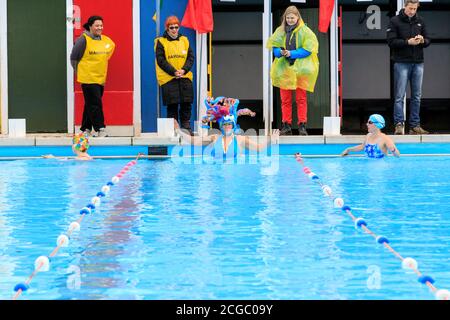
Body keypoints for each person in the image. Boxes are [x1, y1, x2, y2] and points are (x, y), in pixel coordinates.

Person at [266, 6, 319, 136]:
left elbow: (308, 49)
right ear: (285, 18)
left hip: (301, 70)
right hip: (284, 70)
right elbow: (274, 46)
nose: (290, 20)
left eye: (292, 18)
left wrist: (292, 53)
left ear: (297, 17)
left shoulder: (306, 32)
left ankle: (302, 126)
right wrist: (280, 52)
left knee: (301, 99)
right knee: (285, 100)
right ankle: (286, 126)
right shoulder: (280, 30)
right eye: (288, 18)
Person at [178, 97, 279, 159]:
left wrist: (272, 139)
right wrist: (178, 130)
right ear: (221, 126)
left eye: (229, 124)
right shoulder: (215, 138)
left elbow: (259, 148)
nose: (227, 127)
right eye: (224, 124)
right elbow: (193, 141)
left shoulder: (240, 139)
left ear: (233, 125)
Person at [387, 0, 430, 135]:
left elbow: (428, 40)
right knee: (399, 96)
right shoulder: (394, 21)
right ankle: (399, 124)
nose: (412, 11)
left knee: (417, 96)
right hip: (401, 62)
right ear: (405, 6)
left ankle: (414, 126)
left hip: (418, 62)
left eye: (415, 9)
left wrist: (423, 40)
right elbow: (391, 42)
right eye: (410, 8)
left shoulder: (421, 21)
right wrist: (408, 42)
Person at [70, 15, 116, 138]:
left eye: (101, 25)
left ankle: (85, 129)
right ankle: (100, 128)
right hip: (88, 78)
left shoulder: (106, 41)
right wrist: (80, 71)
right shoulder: (83, 40)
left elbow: (109, 51)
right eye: (97, 25)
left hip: (100, 78)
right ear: (90, 26)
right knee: (95, 103)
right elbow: (74, 58)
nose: (99, 27)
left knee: (90, 103)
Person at [155, 16, 195, 135]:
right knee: (172, 106)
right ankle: (174, 130)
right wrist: (173, 72)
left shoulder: (185, 40)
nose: (174, 30)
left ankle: (186, 127)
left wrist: (184, 70)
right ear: (167, 28)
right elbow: (161, 60)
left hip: (184, 77)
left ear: (179, 28)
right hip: (169, 78)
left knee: (186, 104)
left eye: (176, 27)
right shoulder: (161, 42)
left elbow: (190, 58)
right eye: (171, 27)